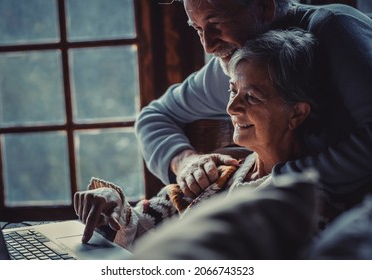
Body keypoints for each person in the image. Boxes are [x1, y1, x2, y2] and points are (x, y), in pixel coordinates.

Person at [73, 29, 320, 251]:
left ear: (297, 113)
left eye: (253, 97)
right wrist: (112, 206)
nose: (232, 107)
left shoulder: (301, 205)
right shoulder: (222, 173)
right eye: (233, 91)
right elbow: (141, 228)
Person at [134, 0, 372, 208]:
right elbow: (154, 116)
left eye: (216, 23)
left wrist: (285, 177)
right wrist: (184, 161)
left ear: (264, 6)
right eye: (197, 29)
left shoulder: (336, 29)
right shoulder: (230, 66)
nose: (207, 46)